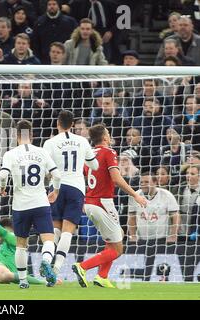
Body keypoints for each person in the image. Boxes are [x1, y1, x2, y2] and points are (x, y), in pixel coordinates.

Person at [71, 124, 147, 288]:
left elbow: (85, 174)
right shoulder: (109, 152)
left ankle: (102, 276)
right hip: (103, 203)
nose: (110, 136)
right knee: (118, 250)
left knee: (116, 235)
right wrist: (135, 194)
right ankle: (82, 267)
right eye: (108, 133)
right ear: (105, 137)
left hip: (89, 203)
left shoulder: (89, 155)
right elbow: (116, 179)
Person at [0, 120, 62, 288]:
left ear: (16, 136)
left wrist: (2, 188)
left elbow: (3, 175)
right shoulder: (41, 152)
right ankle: (46, 261)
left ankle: (23, 281)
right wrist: (55, 191)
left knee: (21, 245)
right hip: (40, 203)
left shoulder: (10, 154)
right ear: (32, 135)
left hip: (20, 206)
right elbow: (57, 175)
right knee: (48, 239)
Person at [42, 110, 99, 278]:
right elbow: (94, 166)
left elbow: (46, 169)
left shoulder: (50, 142)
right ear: (72, 124)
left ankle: (47, 259)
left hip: (57, 187)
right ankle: (56, 269)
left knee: (54, 229)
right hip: (76, 187)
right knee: (68, 231)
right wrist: (85, 158)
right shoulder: (82, 141)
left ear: (58, 124)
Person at [128, 172, 181, 246]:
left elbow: (175, 216)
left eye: (146, 182)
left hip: (162, 239)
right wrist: (133, 236)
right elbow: (132, 217)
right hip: (141, 239)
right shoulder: (135, 196)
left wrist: (173, 235)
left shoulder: (166, 195)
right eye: (141, 182)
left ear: (155, 182)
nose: (143, 184)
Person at [31, 0, 77, 64]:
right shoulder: (39, 23)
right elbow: (35, 44)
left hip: (65, 63)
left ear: (58, 6)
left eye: (54, 4)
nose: (51, 6)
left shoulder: (70, 22)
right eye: (49, 4)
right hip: (44, 62)